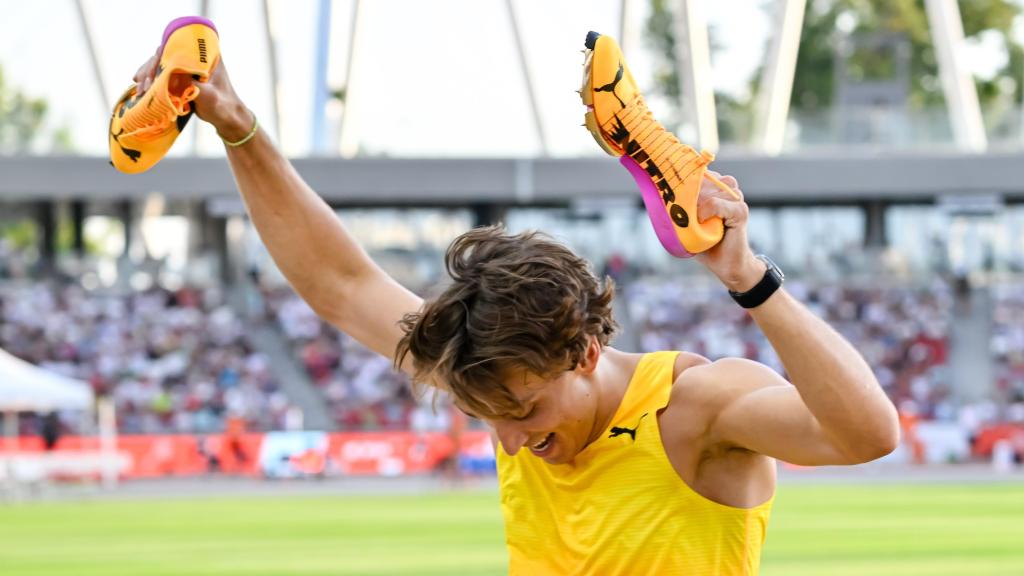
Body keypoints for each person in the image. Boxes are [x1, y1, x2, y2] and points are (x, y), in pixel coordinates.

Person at [131, 33, 899, 575]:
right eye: (488, 417)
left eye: (524, 411)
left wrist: (747, 278)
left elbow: (868, 435)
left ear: (584, 351)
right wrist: (239, 130)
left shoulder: (696, 407)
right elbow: (341, 284)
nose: (508, 440)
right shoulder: (487, 371)